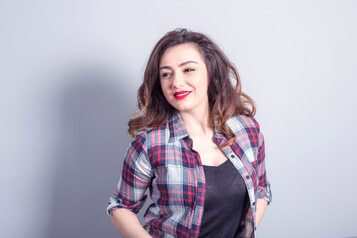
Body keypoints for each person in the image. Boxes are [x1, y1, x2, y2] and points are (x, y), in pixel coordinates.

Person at [106, 28, 272, 238]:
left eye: (188, 70)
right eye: (167, 74)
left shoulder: (247, 130)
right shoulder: (150, 144)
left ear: (211, 72)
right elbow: (120, 205)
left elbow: (262, 189)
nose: (176, 82)